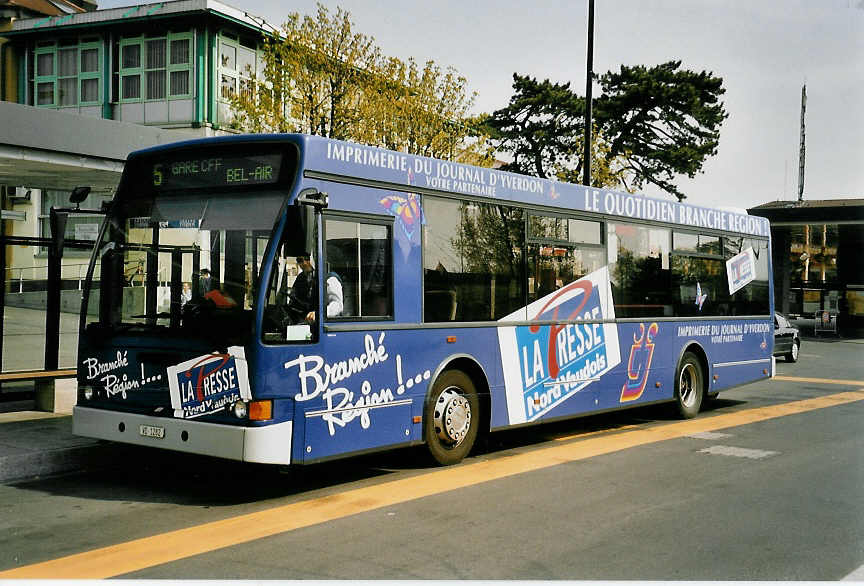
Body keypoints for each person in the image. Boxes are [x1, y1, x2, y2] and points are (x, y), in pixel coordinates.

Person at [287, 252, 343, 324]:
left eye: (307, 259)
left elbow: (337, 305)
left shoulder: (330, 278)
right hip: (305, 323)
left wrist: (320, 314)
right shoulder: (300, 278)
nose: (303, 263)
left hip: (325, 325)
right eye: (299, 260)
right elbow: (294, 298)